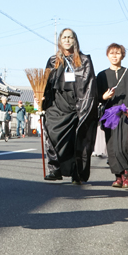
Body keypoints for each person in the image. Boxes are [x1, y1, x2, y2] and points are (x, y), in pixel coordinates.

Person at [41, 28, 98, 184]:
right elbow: (46, 84)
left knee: (76, 140)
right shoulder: (53, 60)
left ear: (75, 40)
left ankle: (76, 173)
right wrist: (41, 99)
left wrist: (84, 109)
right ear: (60, 40)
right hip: (57, 105)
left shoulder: (84, 60)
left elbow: (89, 86)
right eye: (64, 37)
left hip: (77, 105)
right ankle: (55, 169)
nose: (67, 40)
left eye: (70, 37)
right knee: (51, 134)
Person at [97, 43, 128, 189]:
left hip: (127, 115)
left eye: (118, 53)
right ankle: (118, 176)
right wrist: (104, 97)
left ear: (122, 55)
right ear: (107, 56)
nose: (114, 56)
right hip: (110, 116)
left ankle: (127, 176)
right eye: (112, 53)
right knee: (113, 147)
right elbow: (96, 97)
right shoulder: (102, 75)